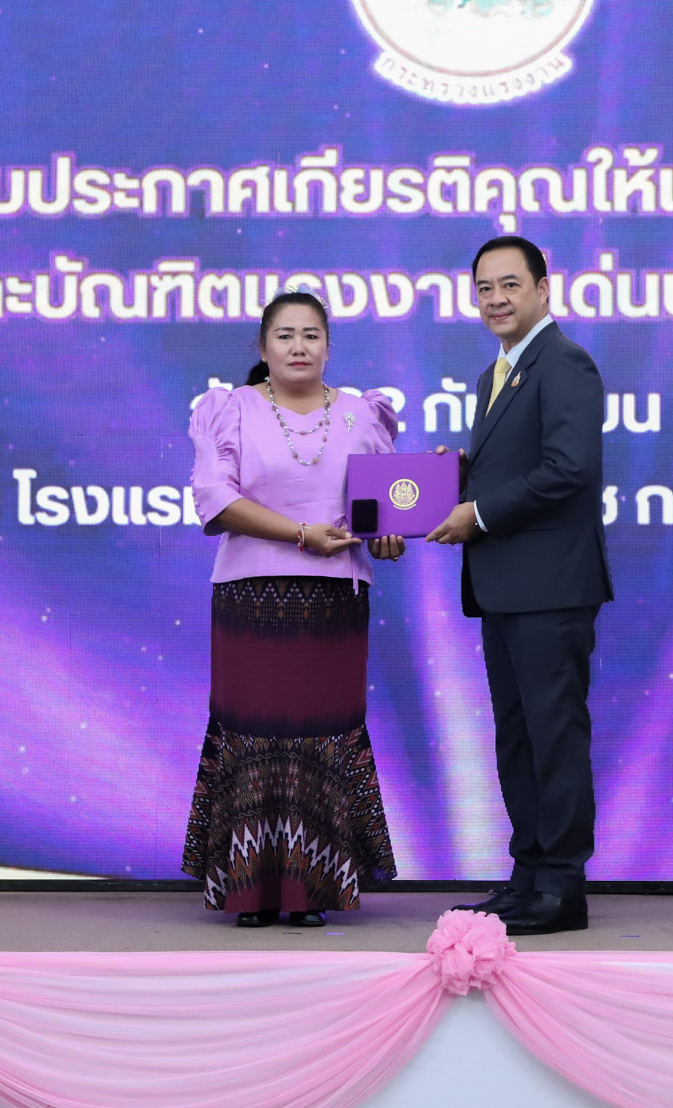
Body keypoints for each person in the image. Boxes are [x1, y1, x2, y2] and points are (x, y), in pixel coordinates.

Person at [183, 290, 405, 927]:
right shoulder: (230, 409)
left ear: (329, 347)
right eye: (285, 335)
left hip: (333, 600)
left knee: (324, 733)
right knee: (251, 731)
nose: (298, 346)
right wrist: (300, 534)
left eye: (311, 335)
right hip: (251, 596)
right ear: (263, 347)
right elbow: (214, 499)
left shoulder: (362, 414)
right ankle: (249, 890)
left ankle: (313, 889)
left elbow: (383, 508)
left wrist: (388, 534)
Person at [426, 236, 611, 936]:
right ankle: (529, 873)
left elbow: (569, 469)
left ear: (542, 288)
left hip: (551, 586)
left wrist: (476, 511)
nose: (496, 299)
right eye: (484, 288)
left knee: (553, 735)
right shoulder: (496, 373)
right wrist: (460, 477)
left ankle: (562, 885)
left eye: (510, 284)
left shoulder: (564, 362)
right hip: (507, 586)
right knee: (519, 738)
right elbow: (521, 463)